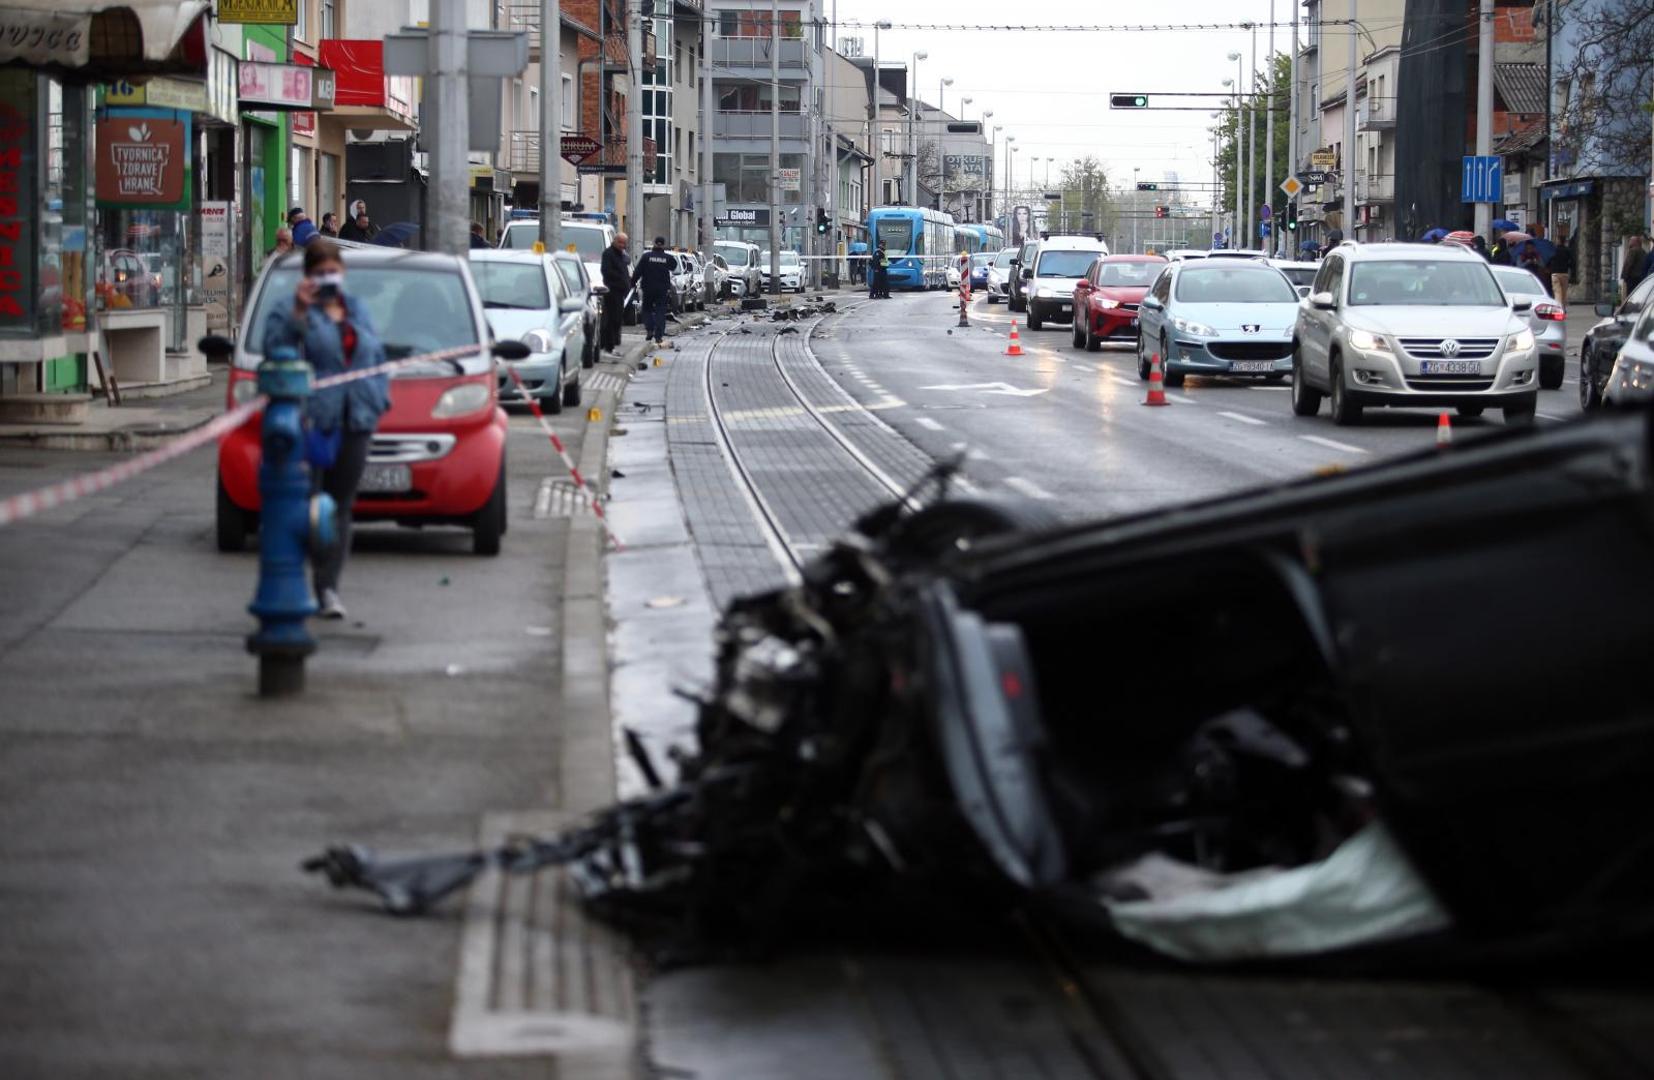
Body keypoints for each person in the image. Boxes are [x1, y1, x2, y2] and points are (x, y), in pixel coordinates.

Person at [261, 239, 390, 621]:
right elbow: (274, 348)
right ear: (307, 276)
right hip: (315, 421)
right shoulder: (291, 309)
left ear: (343, 272)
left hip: (357, 419)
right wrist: (301, 309)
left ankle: (328, 587)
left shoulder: (357, 309)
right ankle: (298, 579)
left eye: (332, 271)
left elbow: (375, 355)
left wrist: (379, 399)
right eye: (319, 272)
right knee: (310, 505)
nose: (327, 279)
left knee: (342, 506)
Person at [631, 236, 676, 347]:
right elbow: (674, 266)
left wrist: (632, 283)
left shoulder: (646, 257)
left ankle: (650, 329)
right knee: (660, 311)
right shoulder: (668, 258)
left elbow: (637, 271)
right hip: (662, 289)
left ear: (654, 243)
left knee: (647, 309)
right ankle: (659, 335)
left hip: (648, 287)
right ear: (663, 244)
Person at [599, 231, 630, 354]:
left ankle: (611, 344)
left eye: (624, 243)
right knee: (612, 319)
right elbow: (606, 270)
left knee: (617, 319)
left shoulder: (621, 254)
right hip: (612, 290)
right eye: (620, 242)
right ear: (615, 241)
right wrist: (620, 280)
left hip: (620, 291)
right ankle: (608, 345)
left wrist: (627, 281)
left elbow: (624, 269)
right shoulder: (609, 253)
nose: (622, 245)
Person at [1548, 226, 1575, 308]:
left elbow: (1550, 260)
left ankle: (1558, 308)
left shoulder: (1553, 250)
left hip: (1555, 273)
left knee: (1557, 292)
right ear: (1564, 241)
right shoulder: (1567, 250)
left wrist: (1549, 268)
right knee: (1563, 292)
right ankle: (1563, 308)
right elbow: (1572, 262)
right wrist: (1571, 270)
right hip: (1564, 273)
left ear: (1558, 241)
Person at [1621, 236, 1647, 300]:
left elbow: (1629, 264)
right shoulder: (1643, 251)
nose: (1629, 242)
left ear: (1635, 242)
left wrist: (1624, 276)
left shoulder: (1633, 251)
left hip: (1632, 277)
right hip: (1640, 278)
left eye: (1631, 240)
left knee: (1630, 295)